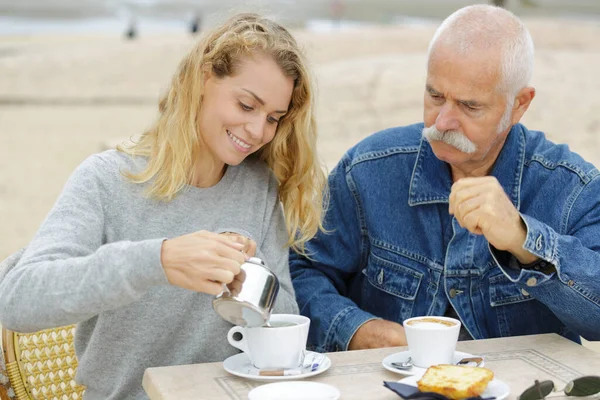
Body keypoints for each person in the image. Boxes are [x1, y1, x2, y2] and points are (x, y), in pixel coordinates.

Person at [0, 13, 326, 399]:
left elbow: (283, 314)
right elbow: (19, 300)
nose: (258, 131)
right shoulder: (107, 178)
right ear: (205, 78)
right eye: (245, 105)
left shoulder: (258, 186)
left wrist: (253, 274)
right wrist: (159, 260)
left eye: (273, 118)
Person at [290, 4, 600, 353]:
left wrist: (523, 240)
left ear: (519, 104)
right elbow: (302, 271)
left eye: (470, 106)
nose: (442, 122)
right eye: (435, 96)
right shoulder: (367, 170)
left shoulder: (573, 188)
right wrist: (356, 329)